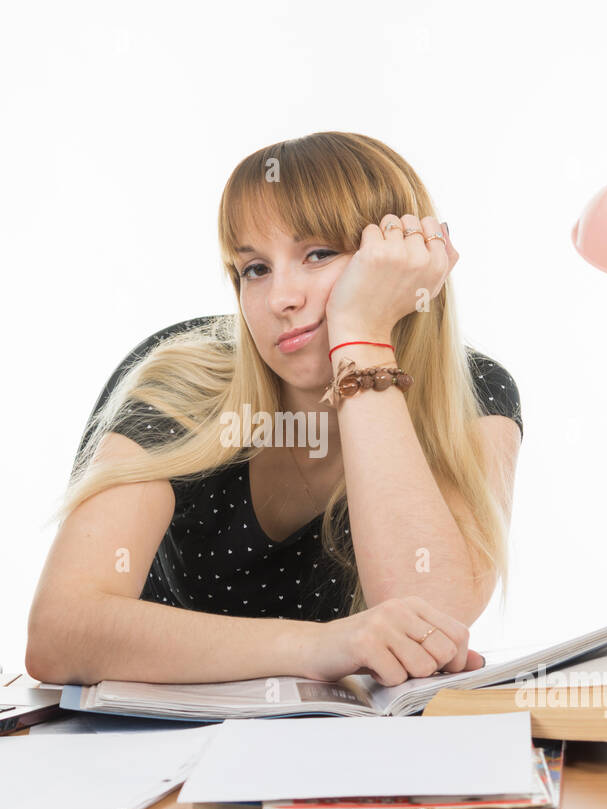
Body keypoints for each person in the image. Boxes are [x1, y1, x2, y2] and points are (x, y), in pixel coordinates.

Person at [26, 131, 522, 688]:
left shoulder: (474, 391)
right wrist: (318, 645)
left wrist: (361, 340)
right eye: (255, 269)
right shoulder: (179, 382)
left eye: (318, 254)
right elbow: (60, 632)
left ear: (400, 264)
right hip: (151, 754)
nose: (280, 298)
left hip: (338, 762)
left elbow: (432, 617)